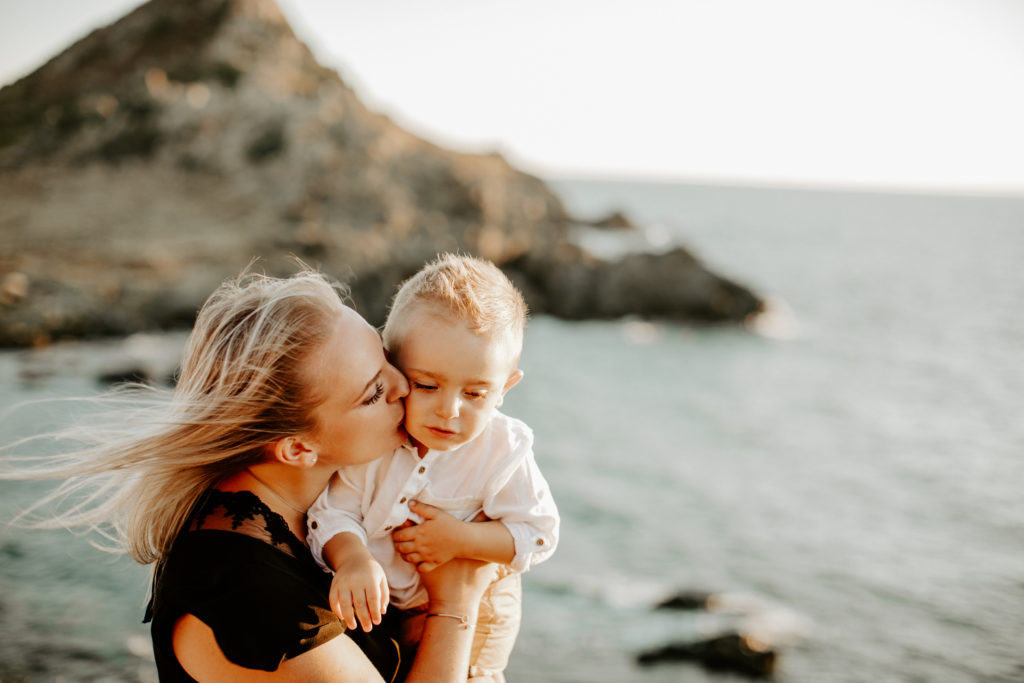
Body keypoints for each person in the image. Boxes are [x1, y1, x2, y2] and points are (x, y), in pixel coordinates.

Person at [0, 268, 497, 682]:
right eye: (372, 392)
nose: (403, 384)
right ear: (298, 447)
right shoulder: (252, 600)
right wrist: (457, 599)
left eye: (386, 358)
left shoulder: (318, 513)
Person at [307, 254, 560, 682]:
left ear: (505, 388)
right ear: (390, 363)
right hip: (389, 612)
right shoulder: (375, 440)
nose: (449, 411)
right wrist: (351, 558)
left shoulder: (504, 450)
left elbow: (539, 533)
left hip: (479, 610)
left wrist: (461, 538)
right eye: (426, 385)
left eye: (476, 393)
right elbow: (333, 510)